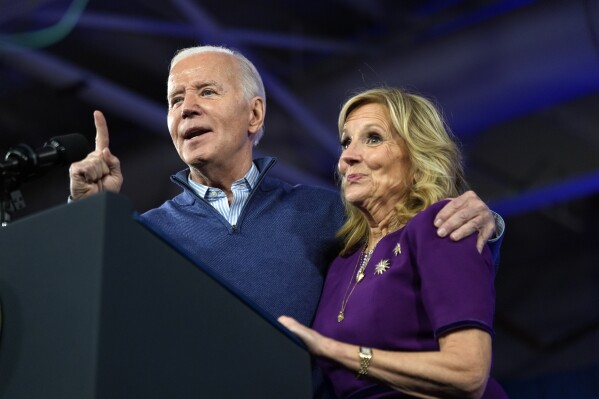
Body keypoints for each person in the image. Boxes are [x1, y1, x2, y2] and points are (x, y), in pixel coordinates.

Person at [69, 45, 502, 332]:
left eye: (206, 91)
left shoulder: (327, 213)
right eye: (175, 100)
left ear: (254, 115)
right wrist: (89, 220)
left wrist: (489, 225)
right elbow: (88, 316)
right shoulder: (145, 233)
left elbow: (425, 257)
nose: (188, 108)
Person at [278, 87, 507, 398]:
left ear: (417, 159)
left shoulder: (441, 225)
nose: (347, 157)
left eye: (373, 138)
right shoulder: (341, 261)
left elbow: (468, 374)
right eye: (346, 141)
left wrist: (334, 350)